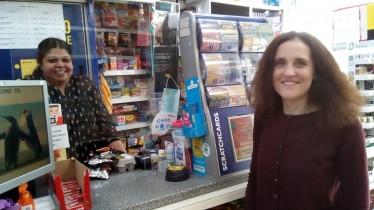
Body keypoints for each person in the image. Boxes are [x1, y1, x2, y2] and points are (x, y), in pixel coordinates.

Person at [245, 31, 369, 209]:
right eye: (280, 63)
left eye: (300, 63)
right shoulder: (265, 116)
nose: (288, 72)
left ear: (316, 71)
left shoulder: (344, 125)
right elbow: (255, 178)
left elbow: (356, 201)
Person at [24, 37, 126, 162]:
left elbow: (106, 126)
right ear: (40, 63)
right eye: (52, 60)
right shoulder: (30, 88)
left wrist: (124, 158)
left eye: (65, 60)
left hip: (93, 164)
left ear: (72, 63)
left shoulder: (85, 85)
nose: (60, 64)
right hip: (51, 168)